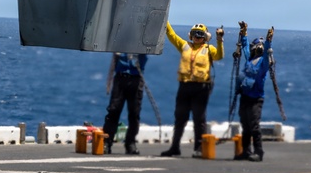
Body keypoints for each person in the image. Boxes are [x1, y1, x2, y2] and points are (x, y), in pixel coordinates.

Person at [160, 22, 224, 158]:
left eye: (200, 34)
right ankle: (175, 147)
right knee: (180, 118)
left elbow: (219, 56)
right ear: (190, 35)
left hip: (201, 88)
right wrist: (164, 19)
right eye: (194, 34)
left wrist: (220, 41)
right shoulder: (184, 46)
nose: (197, 37)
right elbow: (171, 35)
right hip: (184, 86)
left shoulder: (209, 49)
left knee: (199, 119)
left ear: (206, 36)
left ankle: (199, 148)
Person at [234, 22, 274, 162]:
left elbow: (267, 51)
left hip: (256, 98)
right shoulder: (250, 60)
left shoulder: (263, 63)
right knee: (245, 125)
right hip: (245, 96)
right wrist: (244, 33)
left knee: (254, 126)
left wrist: (269, 41)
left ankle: (259, 152)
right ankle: (246, 151)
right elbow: (245, 48)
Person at [102, 52, 147, 155]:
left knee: (134, 113)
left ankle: (130, 143)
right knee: (113, 110)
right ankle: (107, 142)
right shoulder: (121, 38)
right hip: (120, 77)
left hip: (136, 78)